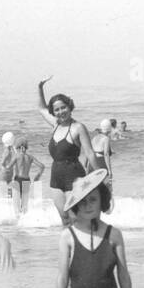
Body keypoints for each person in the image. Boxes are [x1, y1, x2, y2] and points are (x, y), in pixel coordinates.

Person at [38, 78, 97, 222]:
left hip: (74, 176)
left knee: (76, 218)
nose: (60, 112)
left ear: (70, 107)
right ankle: (67, 245)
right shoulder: (55, 125)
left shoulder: (78, 128)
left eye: (63, 107)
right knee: (64, 219)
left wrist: (101, 177)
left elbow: (90, 153)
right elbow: (41, 108)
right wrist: (40, 87)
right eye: (56, 109)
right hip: (56, 178)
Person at [3, 137, 44, 215]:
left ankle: (18, 224)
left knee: (16, 204)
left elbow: (8, 168)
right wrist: (38, 176)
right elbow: (42, 166)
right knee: (25, 204)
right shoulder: (30, 157)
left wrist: (4, 165)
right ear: (26, 147)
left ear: (18, 147)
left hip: (18, 180)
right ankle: (25, 222)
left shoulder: (16, 156)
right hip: (27, 180)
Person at [92, 119, 114, 188]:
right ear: (109, 129)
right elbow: (106, 154)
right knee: (107, 188)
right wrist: (110, 170)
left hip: (92, 163)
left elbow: (90, 152)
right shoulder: (106, 138)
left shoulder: (94, 138)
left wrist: (86, 167)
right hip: (101, 163)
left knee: (95, 188)